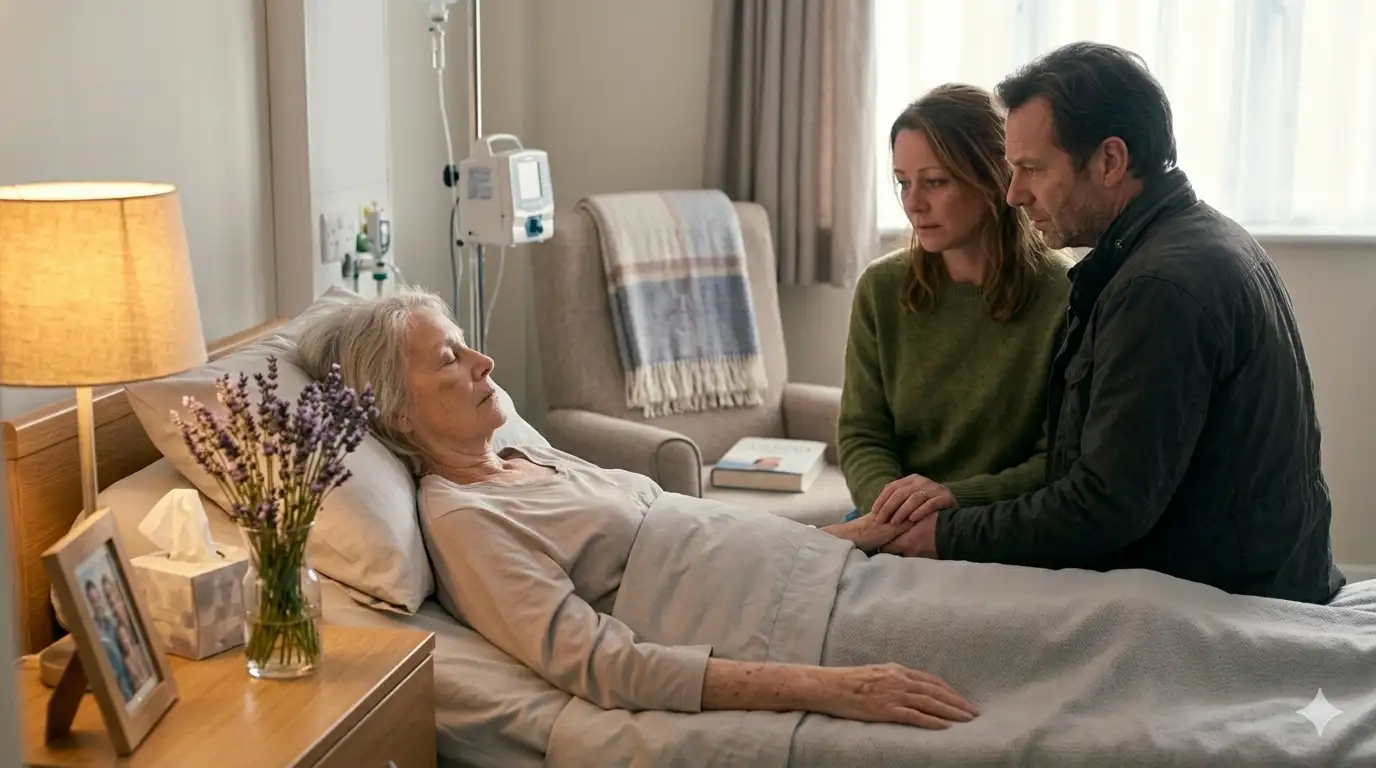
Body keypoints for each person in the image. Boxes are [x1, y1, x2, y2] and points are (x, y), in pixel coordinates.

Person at [290, 290, 1376, 763]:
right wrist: (830, 689)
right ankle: (1318, 716)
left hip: (827, 575)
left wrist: (847, 536)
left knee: (1123, 603)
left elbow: (682, 527)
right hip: (807, 642)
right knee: (1107, 642)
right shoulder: (464, 519)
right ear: (388, 406)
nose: (483, 364)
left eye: (469, 347)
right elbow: (601, 667)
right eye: (449, 359)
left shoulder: (521, 452)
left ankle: (1333, 657)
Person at [874, 42, 1344, 606]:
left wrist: (943, 536)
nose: (1014, 194)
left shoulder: (1159, 288)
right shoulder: (1191, 242)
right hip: (1254, 575)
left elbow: (1104, 507)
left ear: (1110, 161)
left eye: (1030, 169)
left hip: (1228, 601)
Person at [839, 84, 1072, 526]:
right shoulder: (880, 288)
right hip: (890, 520)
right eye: (903, 183)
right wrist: (893, 510)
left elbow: (1056, 460)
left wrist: (950, 501)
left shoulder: (1064, 293)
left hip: (1002, 524)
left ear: (993, 179)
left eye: (935, 182)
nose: (912, 203)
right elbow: (862, 434)